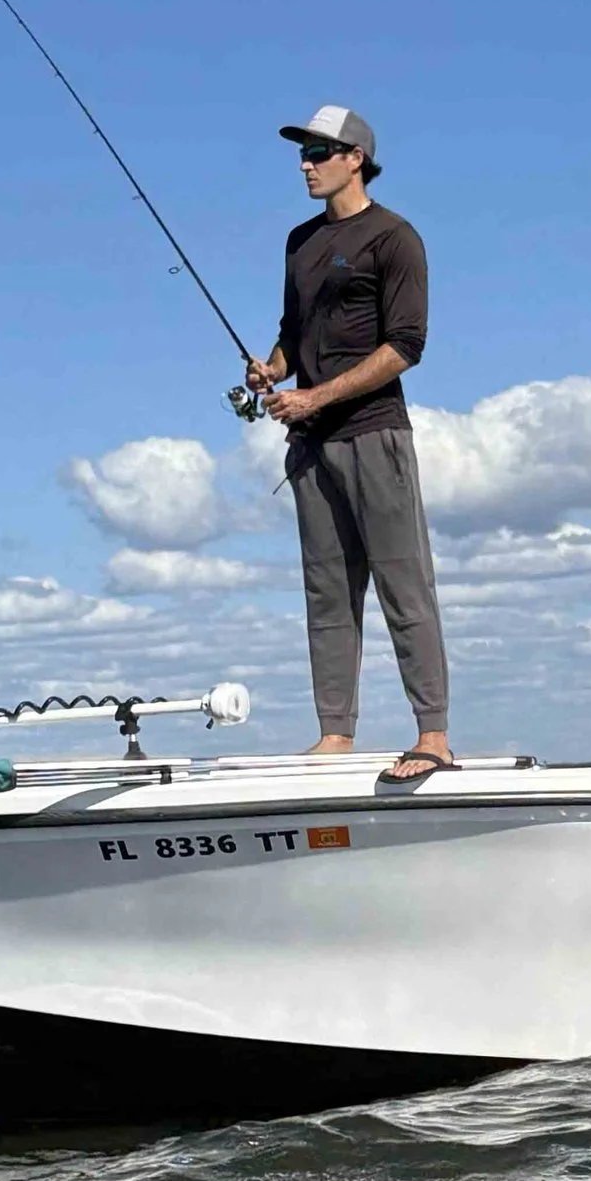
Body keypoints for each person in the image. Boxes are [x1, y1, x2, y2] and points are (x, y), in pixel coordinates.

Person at [245, 104, 454, 785]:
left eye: (319, 152)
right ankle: (335, 734)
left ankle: (433, 735)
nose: (306, 163)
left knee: (404, 585)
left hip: (375, 435)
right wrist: (274, 369)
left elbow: (405, 348)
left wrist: (315, 395)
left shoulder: (395, 238)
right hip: (312, 448)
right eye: (303, 153)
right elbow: (292, 327)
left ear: (355, 157)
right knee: (328, 595)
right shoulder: (298, 241)